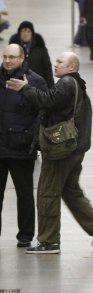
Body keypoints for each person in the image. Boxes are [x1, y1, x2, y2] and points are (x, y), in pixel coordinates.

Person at [6, 52, 93, 254]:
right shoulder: (77, 84)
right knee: (70, 190)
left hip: (61, 150)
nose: (56, 65)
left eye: (60, 62)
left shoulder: (66, 83)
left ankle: (49, 241)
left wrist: (25, 88)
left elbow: (47, 101)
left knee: (47, 192)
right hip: (75, 149)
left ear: (71, 67)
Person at [0, 44, 47, 248]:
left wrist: (31, 138)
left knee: (24, 192)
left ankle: (26, 234)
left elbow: (44, 110)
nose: (7, 60)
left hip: (21, 147)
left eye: (12, 57)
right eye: (5, 56)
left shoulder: (34, 81)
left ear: (22, 58)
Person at [9, 21, 54, 88]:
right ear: (19, 33)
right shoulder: (13, 47)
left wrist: (51, 86)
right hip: (18, 84)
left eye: (28, 31)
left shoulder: (40, 46)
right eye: (23, 31)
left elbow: (47, 68)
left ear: (32, 33)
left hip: (37, 84)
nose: (25, 34)